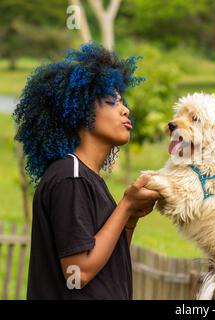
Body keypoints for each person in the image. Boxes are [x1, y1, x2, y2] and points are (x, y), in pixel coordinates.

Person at [13, 42, 160, 299]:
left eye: (123, 102)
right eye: (111, 102)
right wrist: (125, 205)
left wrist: (130, 219)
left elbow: (105, 262)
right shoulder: (70, 177)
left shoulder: (88, 178)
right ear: (81, 112)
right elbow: (76, 273)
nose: (126, 110)